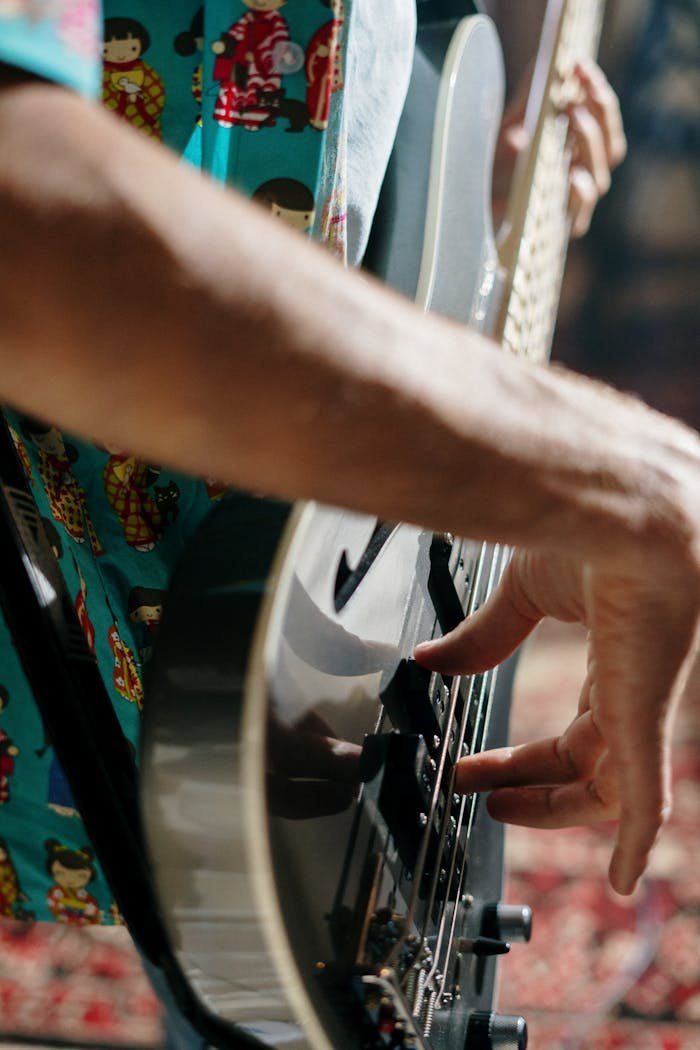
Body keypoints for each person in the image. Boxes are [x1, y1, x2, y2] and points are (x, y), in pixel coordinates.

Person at [0, 0, 698, 1047]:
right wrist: (626, 480)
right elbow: (25, 221)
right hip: (89, 541)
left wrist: (487, 144)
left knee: (256, 947)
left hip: (303, 544)